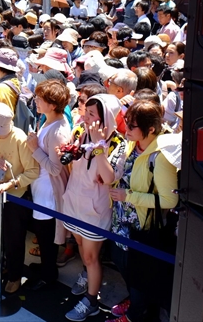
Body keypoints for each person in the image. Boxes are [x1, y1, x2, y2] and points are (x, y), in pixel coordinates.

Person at [109, 101, 180, 322]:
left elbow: (170, 199)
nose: (126, 129)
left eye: (132, 125)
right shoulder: (132, 143)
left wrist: (128, 196)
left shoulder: (160, 156)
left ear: (150, 128)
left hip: (141, 229)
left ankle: (134, 314)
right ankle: (134, 304)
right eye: (126, 123)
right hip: (121, 221)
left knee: (139, 276)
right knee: (124, 266)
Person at [62, 94, 128, 321]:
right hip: (74, 200)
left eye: (92, 114)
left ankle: (91, 301)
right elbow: (71, 160)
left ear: (106, 118)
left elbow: (109, 177)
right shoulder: (80, 131)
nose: (85, 117)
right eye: (85, 111)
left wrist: (100, 145)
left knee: (91, 257)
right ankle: (87, 275)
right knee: (80, 244)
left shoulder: (119, 143)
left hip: (95, 208)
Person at [0, 102, 40, 293]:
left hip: (15, 197)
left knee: (14, 237)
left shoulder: (20, 139)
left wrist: (10, 184)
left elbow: (32, 171)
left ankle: (14, 276)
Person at [25, 79, 72, 290]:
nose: (36, 101)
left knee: (47, 236)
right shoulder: (48, 120)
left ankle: (48, 275)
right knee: (43, 234)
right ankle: (46, 269)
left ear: (52, 105)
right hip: (41, 187)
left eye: (40, 98)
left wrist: (34, 148)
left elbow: (55, 168)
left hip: (49, 192)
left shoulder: (58, 130)